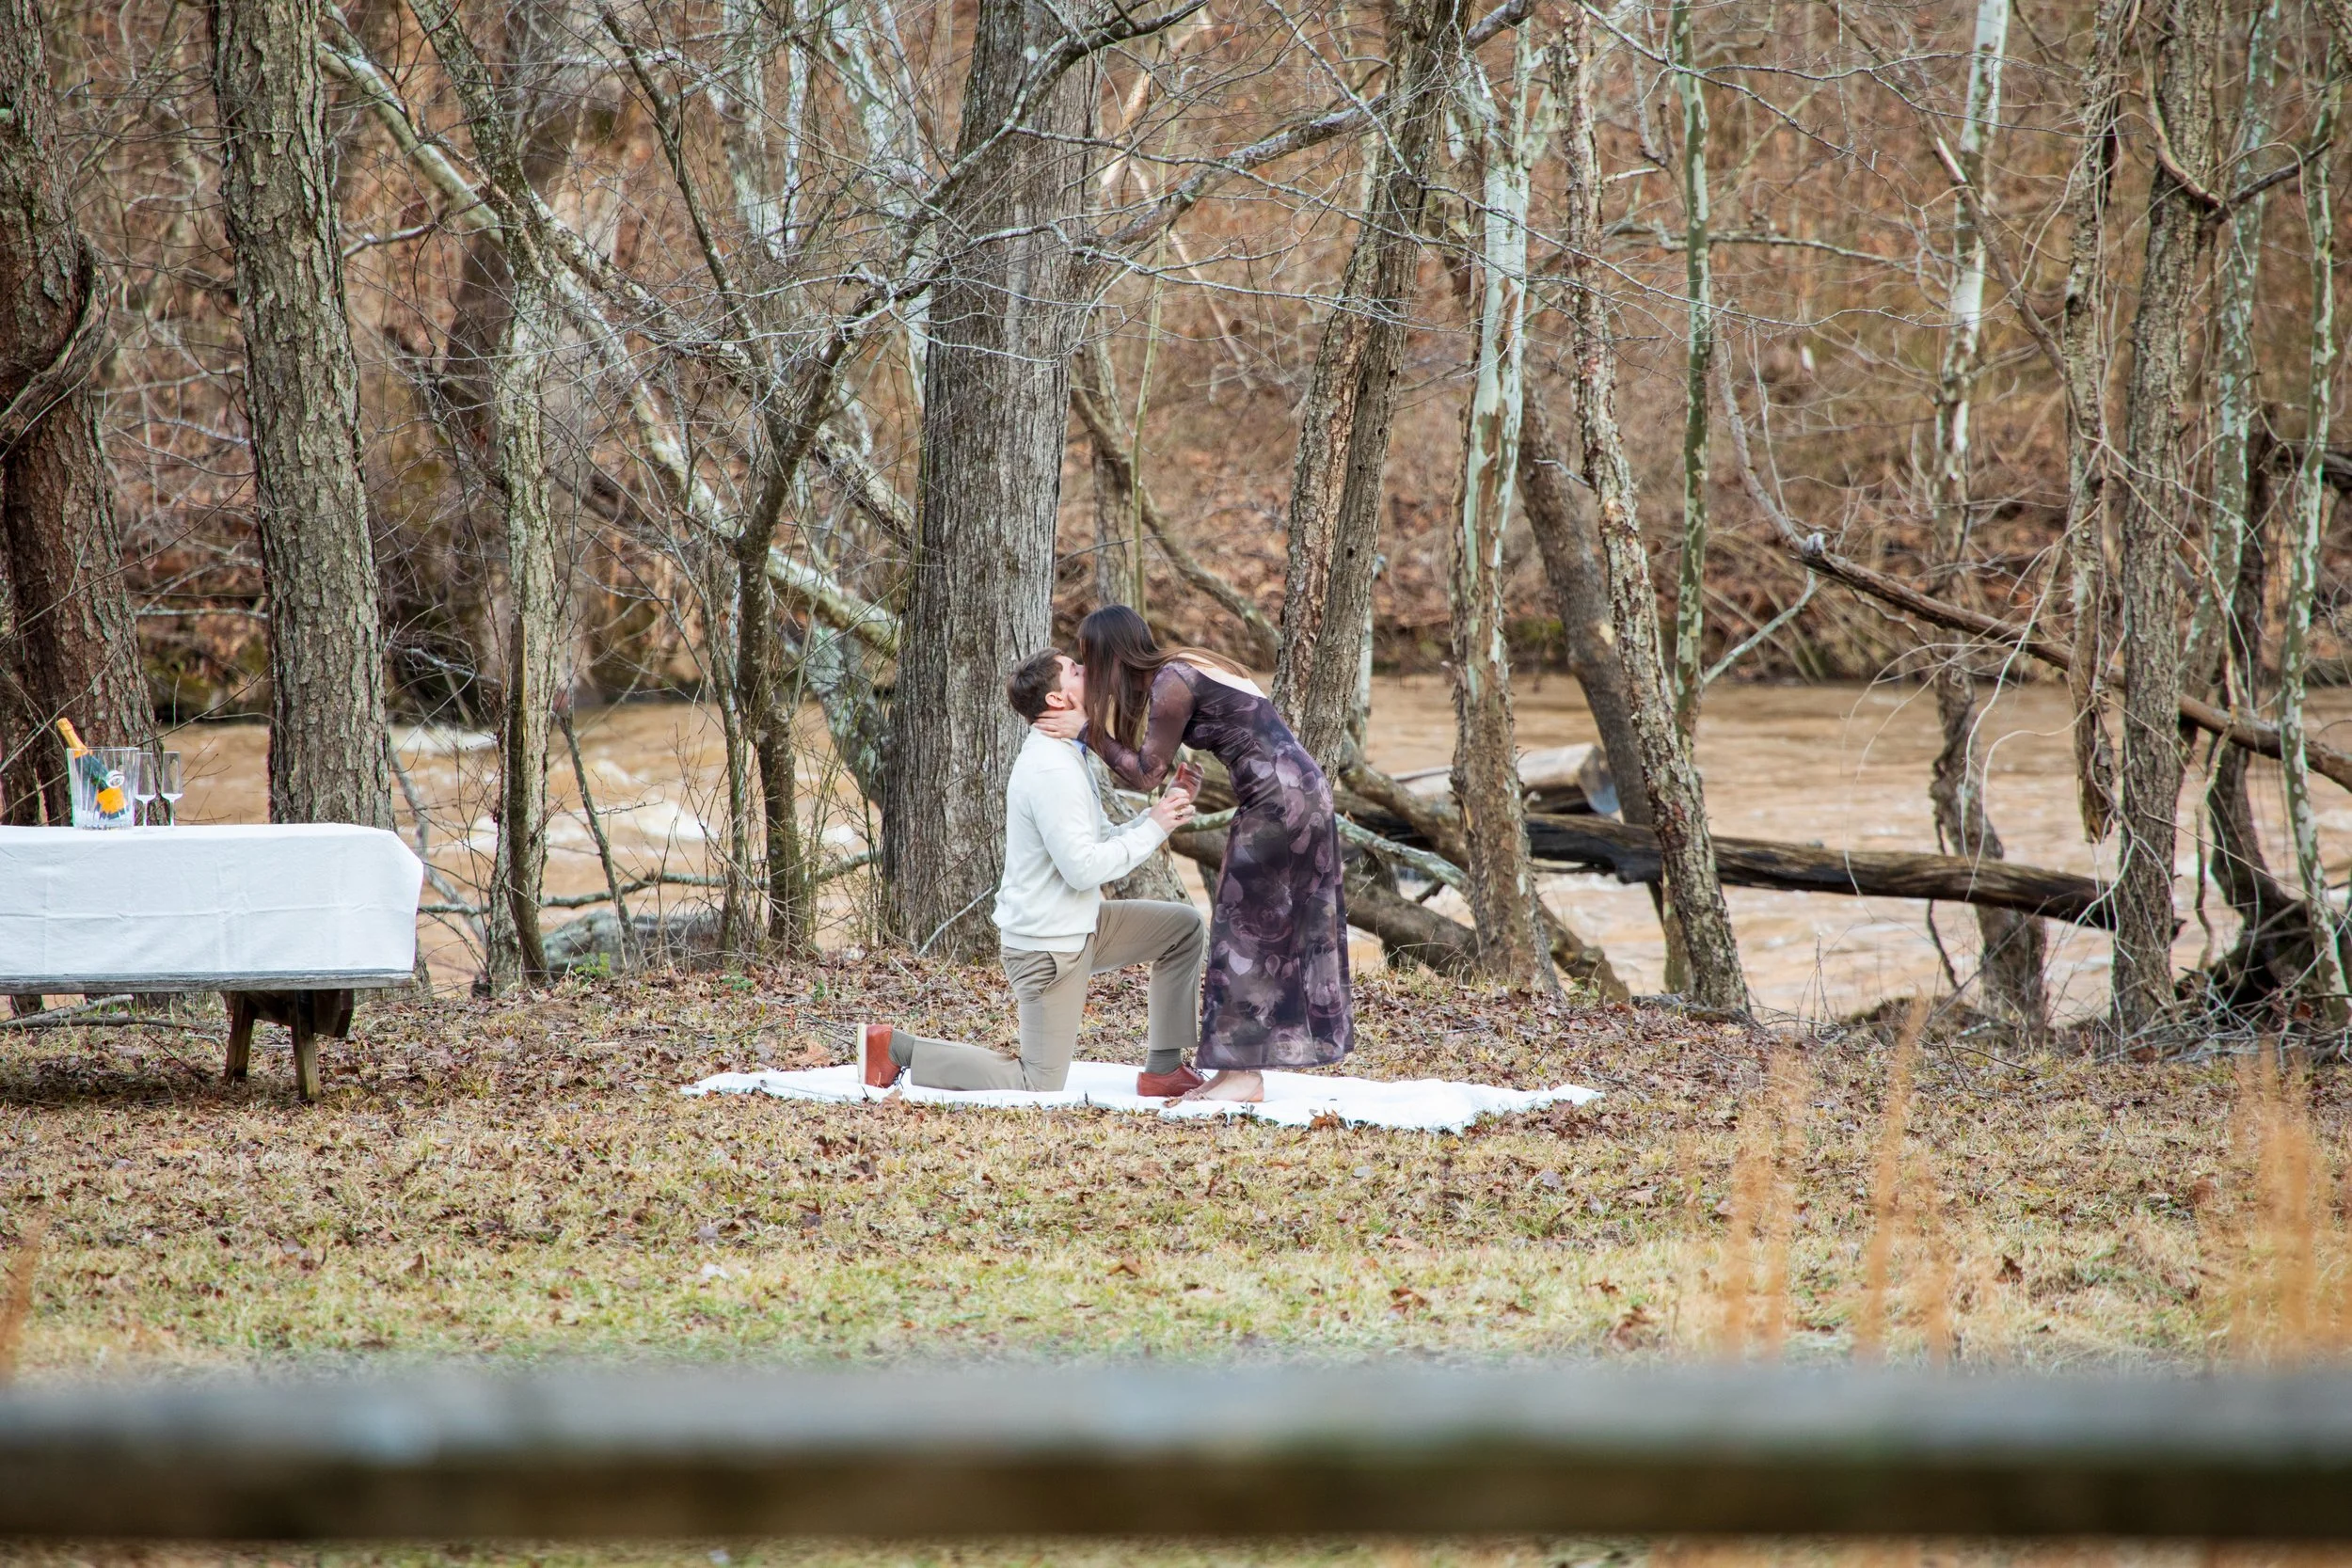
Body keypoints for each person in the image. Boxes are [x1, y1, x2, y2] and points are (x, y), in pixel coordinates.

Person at [850, 647, 1209, 1097]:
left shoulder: (1069, 754)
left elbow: (1098, 840)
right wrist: (1154, 829)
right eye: (1076, 671)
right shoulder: (1049, 769)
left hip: (1080, 927)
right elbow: (1082, 869)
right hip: (1047, 951)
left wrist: (1158, 815)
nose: (1088, 672)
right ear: (1058, 700)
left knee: (1183, 928)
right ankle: (896, 1049)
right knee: (1037, 1081)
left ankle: (1164, 1070)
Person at [1034, 605, 1352, 1103]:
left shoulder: (1172, 681)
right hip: (1290, 794)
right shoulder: (1182, 666)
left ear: (1112, 655)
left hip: (1280, 801)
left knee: (1248, 935)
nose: (1088, 673)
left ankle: (1247, 1077)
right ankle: (1232, 1070)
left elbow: (1143, 774)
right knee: (1234, 927)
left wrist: (1086, 731)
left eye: (1089, 661)